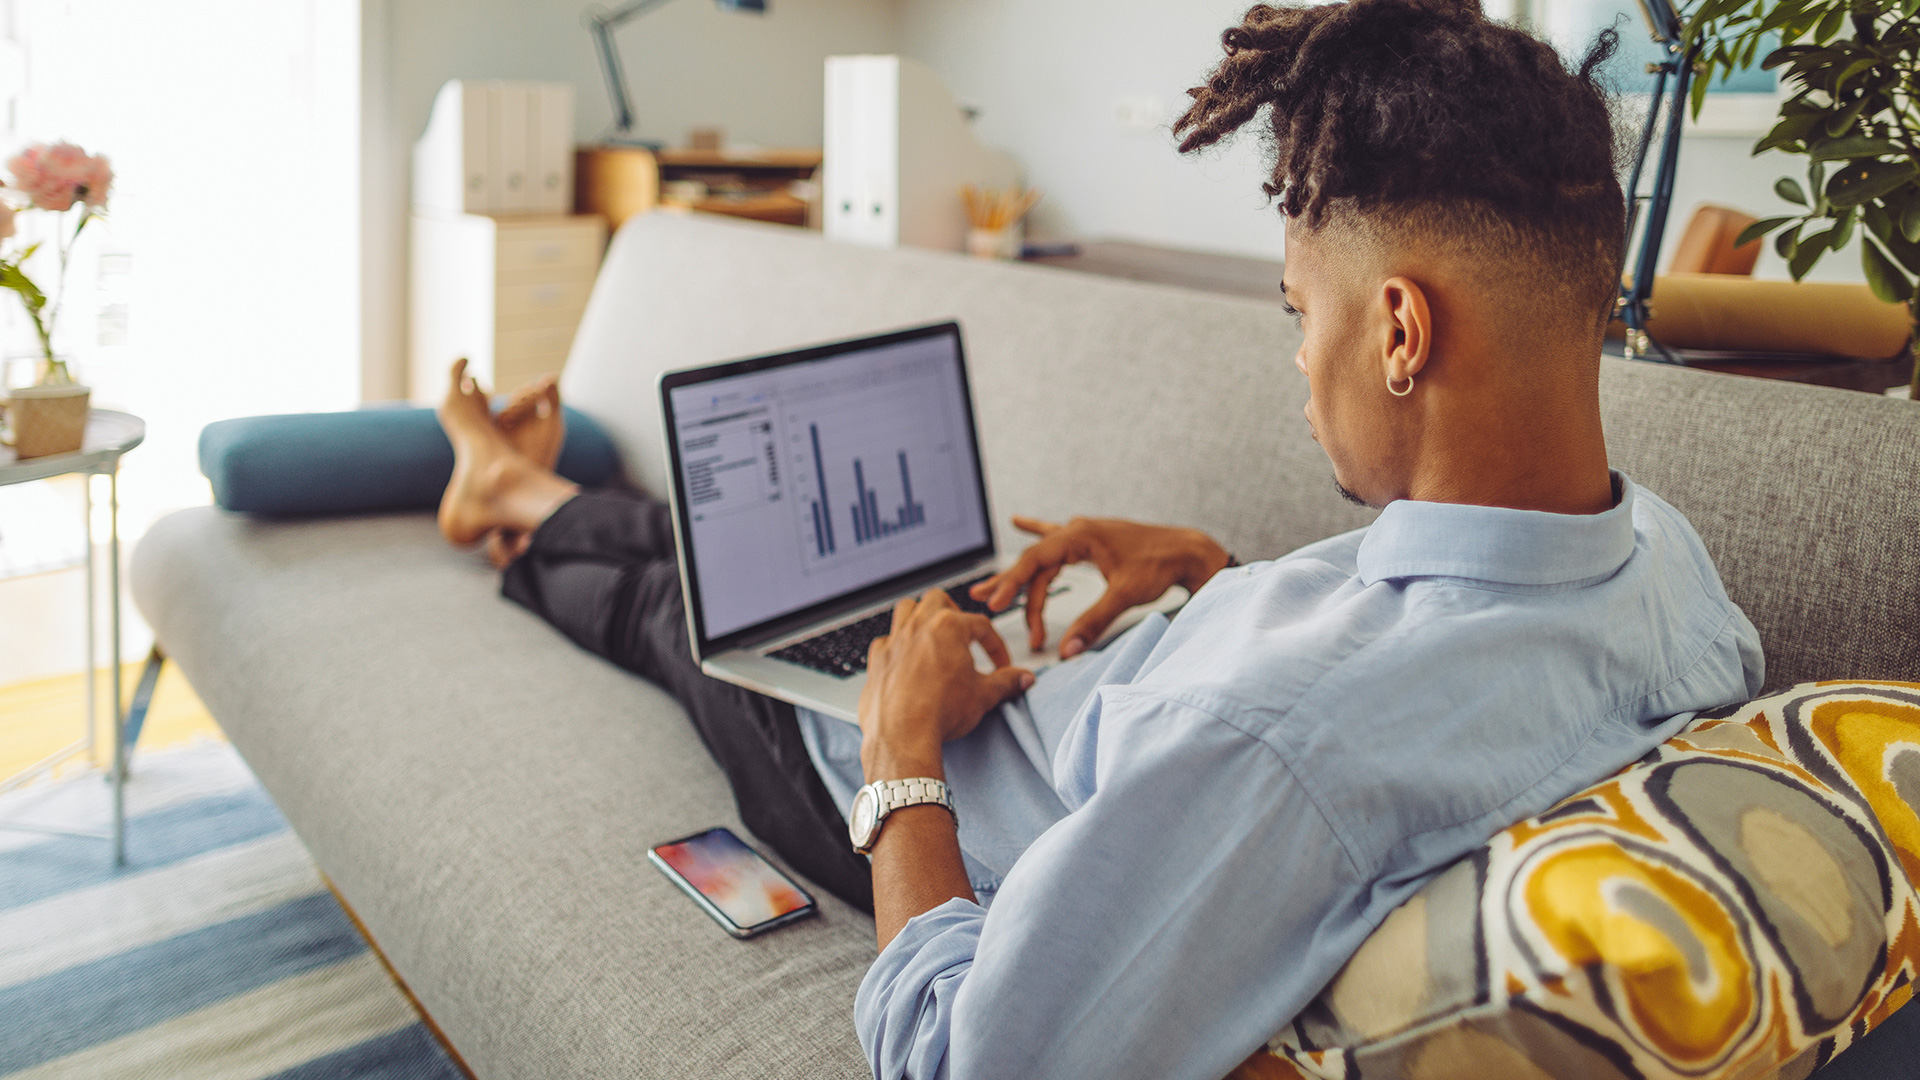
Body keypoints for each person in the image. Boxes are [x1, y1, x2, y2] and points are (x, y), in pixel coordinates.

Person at [435, 1, 1766, 1076]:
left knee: (683, 617)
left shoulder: (1280, 750)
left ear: (1402, 332)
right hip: (1084, 672)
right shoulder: (1668, 568)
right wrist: (1216, 582)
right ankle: (530, 494)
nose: (1301, 364)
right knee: (760, 574)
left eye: (1300, 312)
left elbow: (962, 1056)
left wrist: (901, 755)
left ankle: (508, 496)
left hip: (941, 764)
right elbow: (1422, 678)